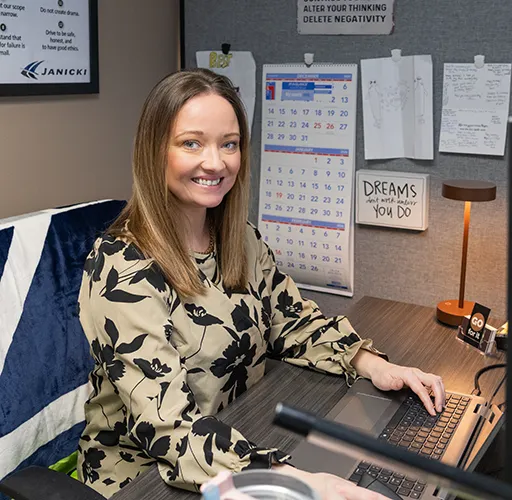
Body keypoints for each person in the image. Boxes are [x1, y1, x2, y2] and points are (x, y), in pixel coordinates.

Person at [77, 68, 446, 499]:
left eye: (229, 144)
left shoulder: (237, 237)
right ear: (154, 151)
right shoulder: (120, 267)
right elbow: (169, 429)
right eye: (191, 143)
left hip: (236, 439)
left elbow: (290, 321)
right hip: (146, 478)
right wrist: (301, 481)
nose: (215, 162)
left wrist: (374, 365)